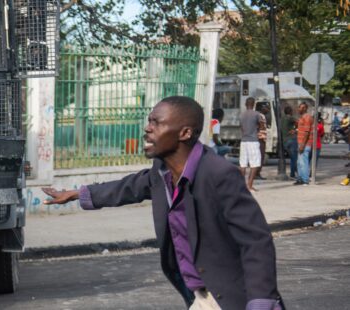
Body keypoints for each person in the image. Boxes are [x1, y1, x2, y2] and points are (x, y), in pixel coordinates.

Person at [42, 96, 284, 310]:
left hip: (233, 298)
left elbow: (256, 240)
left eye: (157, 123)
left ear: (185, 133)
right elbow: (129, 187)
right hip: (202, 297)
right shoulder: (162, 172)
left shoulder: (218, 174)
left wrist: (260, 301)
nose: (147, 128)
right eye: (149, 121)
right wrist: (78, 194)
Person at [239, 98, 263, 191]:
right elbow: (261, 125)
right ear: (254, 104)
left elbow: (241, 128)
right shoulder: (257, 114)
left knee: (243, 164)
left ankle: (242, 186)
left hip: (244, 141)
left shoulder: (242, 115)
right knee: (255, 164)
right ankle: (249, 185)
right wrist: (257, 130)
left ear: (245, 104)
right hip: (253, 141)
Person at [295, 103, 314, 185]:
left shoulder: (307, 117)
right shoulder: (302, 117)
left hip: (305, 144)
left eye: (301, 108)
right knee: (299, 162)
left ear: (305, 108)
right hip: (301, 143)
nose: (299, 109)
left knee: (303, 162)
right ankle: (300, 179)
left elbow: (307, 132)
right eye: (299, 107)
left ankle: (305, 180)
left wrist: (303, 145)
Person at [280, 106, 298, 178]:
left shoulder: (282, 119)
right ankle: (294, 173)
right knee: (294, 158)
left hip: (285, 141)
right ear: (290, 112)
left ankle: (293, 172)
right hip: (291, 139)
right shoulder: (290, 117)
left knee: (292, 157)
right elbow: (299, 122)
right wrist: (296, 130)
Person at [255, 104, 269, 180]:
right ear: (262, 108)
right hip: (260, 138)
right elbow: (259, 126)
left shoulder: (260, 115)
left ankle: (257, 173)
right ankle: (257, 173)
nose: (268, 109)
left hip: (261, 138)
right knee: (260, 156)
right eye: (266, 108)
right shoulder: (260, 116)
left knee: (260, 156)